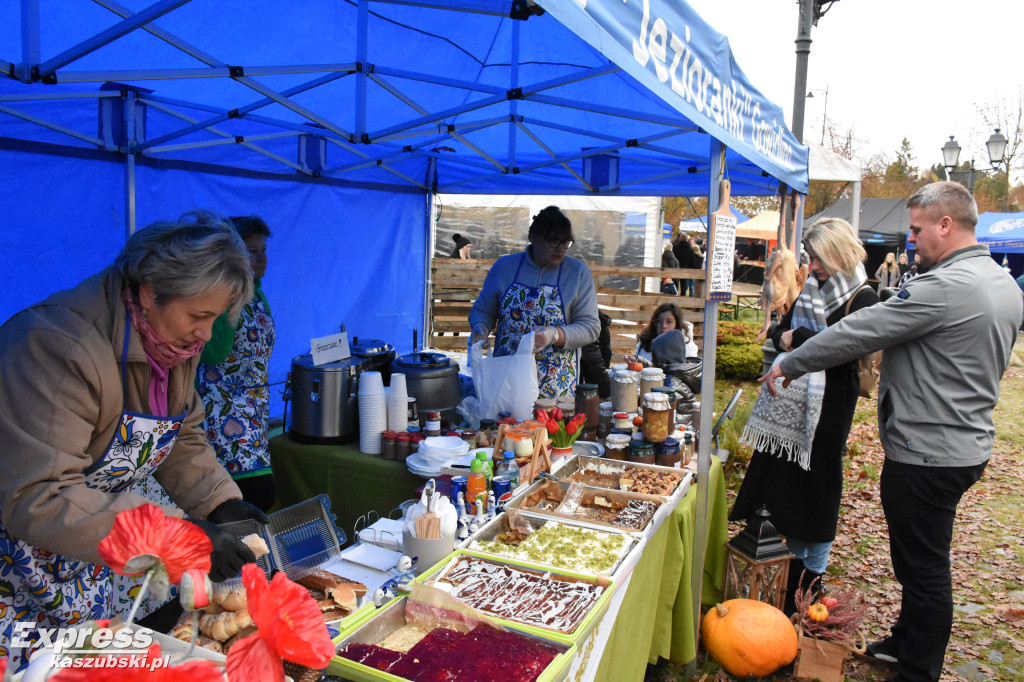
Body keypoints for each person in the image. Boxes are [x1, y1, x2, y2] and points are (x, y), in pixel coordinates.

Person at [760, 182, 1024, 682]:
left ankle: (918, 668)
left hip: (929, 449)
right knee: (916, 557)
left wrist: (792, 360)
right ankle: (905, 639)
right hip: (963, 441)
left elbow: (861, 331)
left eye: (919, 229)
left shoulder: (946, 287)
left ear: (947, 225)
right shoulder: (1002, 283)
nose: (912, 241)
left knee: (924, 568)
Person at [0, 211, 270, 669]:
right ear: (149, 292)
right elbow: (39, 495)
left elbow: (179, 432)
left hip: (90, 553)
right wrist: (171, 536)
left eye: (216, 318)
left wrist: (217, 502)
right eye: (200, 316)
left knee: (87, 665)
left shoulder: (170, 342)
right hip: (16, 564)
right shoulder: (56, 345)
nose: (206, 335)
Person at [730, 217, 878, 613]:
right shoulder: (812, 289)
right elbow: (781, 332)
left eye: (818, 258)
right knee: (786, 485)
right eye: (810, 258)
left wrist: (803, 341)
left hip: (830, 408)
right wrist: (791, 339)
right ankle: (787, 568)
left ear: (839, 252)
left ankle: (810, 576)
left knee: (819, 485)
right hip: (791, 407)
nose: (811, 267)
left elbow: (847, 351)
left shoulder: (863, 298)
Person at [468, 206, 599, 398]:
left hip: (557, 386)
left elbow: (591, 327)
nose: (561, 248)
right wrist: (480, 327)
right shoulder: (504, 268)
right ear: (533, 237)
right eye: (554, 241)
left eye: (566, 242)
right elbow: (483, 310)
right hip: (508, 380)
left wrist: (554, 334)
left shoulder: (577, 273)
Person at [196, 216, 276, 513]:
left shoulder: (259, 295)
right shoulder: (221, 297)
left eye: (263, 250)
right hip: (221, 415)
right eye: (251, 250)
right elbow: (212, 353)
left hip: (255, 412)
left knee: (256, 500)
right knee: (252, 497)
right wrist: (230, 302)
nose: (261, 258)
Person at [632, 302, 697, 364]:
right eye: (659, 321)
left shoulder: (687, 346)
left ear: (677, 324)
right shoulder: (645, 341)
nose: (663, 326)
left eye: (669, 322)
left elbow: (685, 373)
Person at [579, 312, 613, 398]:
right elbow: (606, 351)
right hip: (594, 365)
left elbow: (606, 351)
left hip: (595, 365)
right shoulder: (599, 319)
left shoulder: (599, 320)